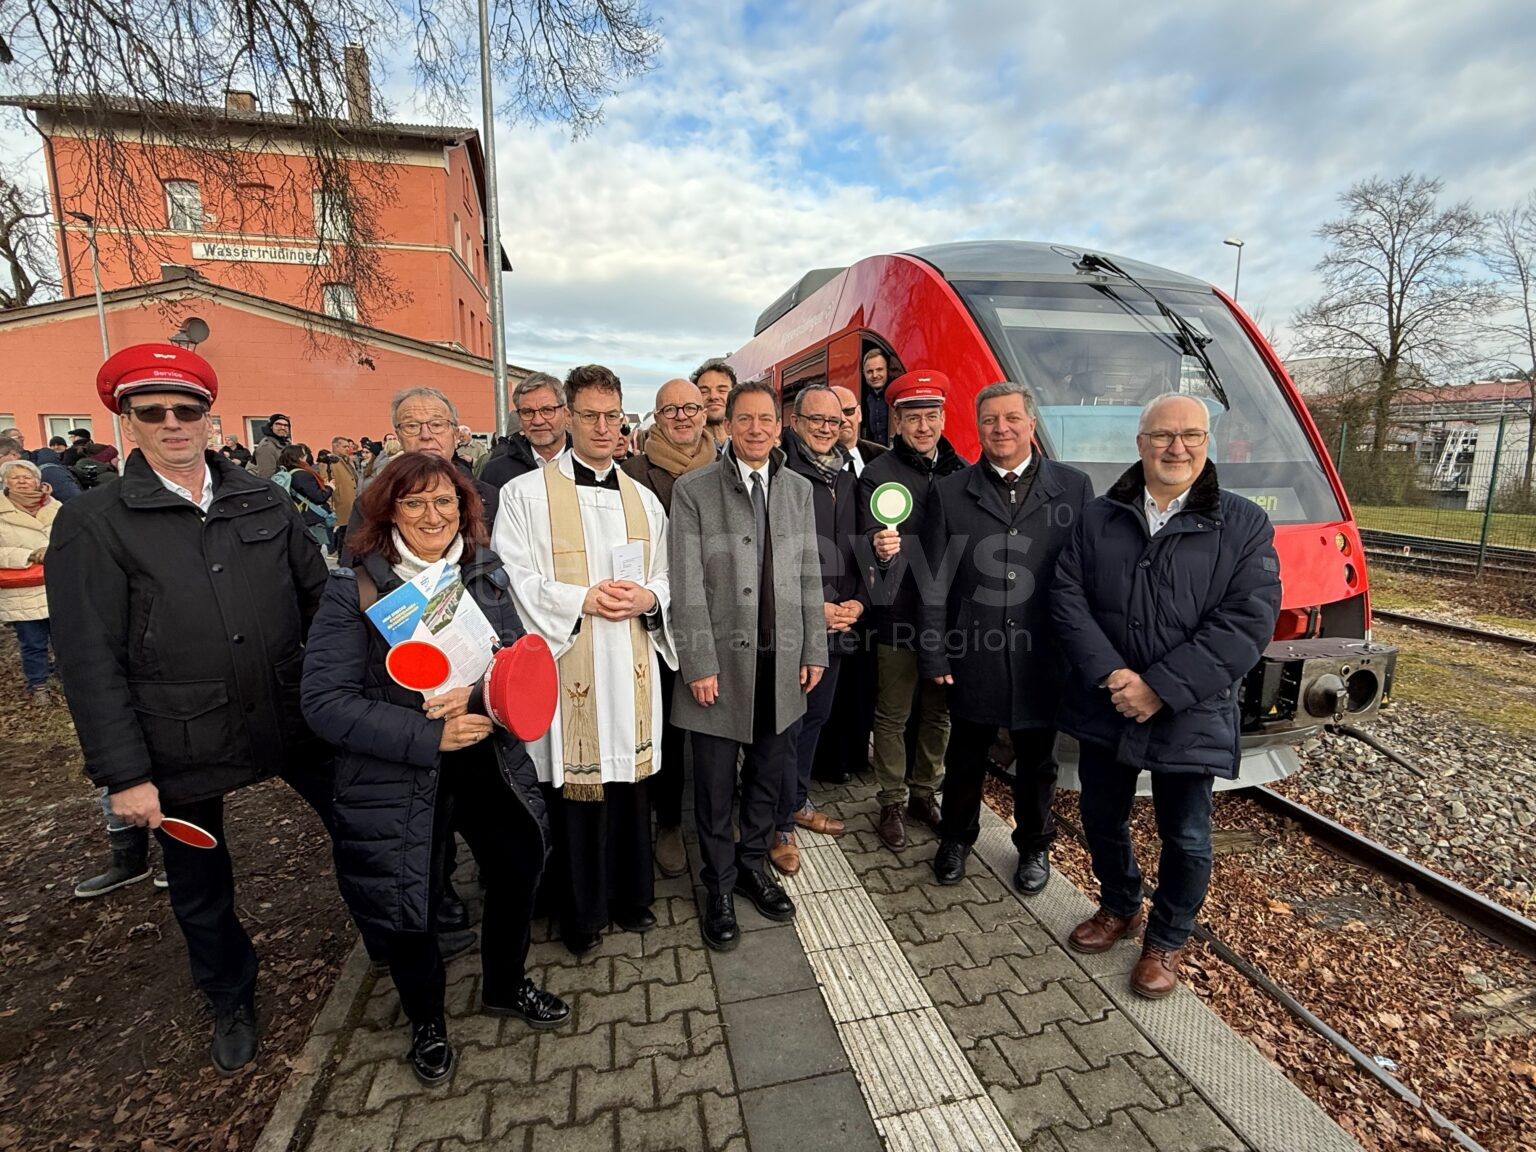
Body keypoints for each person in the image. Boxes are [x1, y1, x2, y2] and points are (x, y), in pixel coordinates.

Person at [45, 343, 337, 1074]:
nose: (174, 423)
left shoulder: (262, 496)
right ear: (127, 420)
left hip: (288, 711)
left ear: (208, 417)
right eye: (154, 412)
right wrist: (124, 775)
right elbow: (88, 660)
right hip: (181, 734)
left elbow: (320, 600)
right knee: (201, 885)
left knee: (364, 819)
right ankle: (229, 993)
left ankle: (396, 937)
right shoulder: (94, 522)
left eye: (188, 409)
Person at [302, 453, 569, 1086]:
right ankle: (426, 1020)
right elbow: (324, 704)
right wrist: (427, 734)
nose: (433, 515)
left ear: (464, 509)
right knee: (411, 899)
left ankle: (504, 985)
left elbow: (510, 664)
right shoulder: (356, 589)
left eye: (445, 502)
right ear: (387, 509)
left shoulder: (483, 573)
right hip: (399, 776)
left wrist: (479, 699)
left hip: (488, 758)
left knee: (516, 867)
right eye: (415, 503)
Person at [1052, 393, 1280, 999]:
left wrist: (1160, 687)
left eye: (1191, 436)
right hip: (1108, 700)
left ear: (1208, 443)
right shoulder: (1100, 517)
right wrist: (1114, 676)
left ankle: (1166, 940)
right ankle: (1121, 904)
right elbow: (1067, 599)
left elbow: (1246, 622)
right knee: (1102, 817)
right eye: (1162, 435)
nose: (1176, 448)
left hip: (1191, 708)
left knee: (1186, 835)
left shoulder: (1244, 522)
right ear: (1140, 443)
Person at [494, 364, 674, 956]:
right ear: (567, 418)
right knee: (575, 788)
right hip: (569, 662)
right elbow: (513, 578)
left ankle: (631, 897)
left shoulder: (644, 500)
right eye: (590, 416)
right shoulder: (524, 496)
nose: (602, 427)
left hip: (630, 662)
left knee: (630, 785)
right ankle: (581, 913)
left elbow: (669, 577)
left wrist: (650, 597)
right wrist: (582, 599)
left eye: (611, 416)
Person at [669, 380, 826, 951]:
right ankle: (717, 883)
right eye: (745, 420)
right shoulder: (694, 489)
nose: (756, 429)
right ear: (727, 425)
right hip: (717, 667)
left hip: (780, 663)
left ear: (778, 426)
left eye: (766, 419)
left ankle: (753, 864)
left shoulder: (799, 489)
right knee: (713, 788)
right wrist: (697, 662)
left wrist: (813, 648)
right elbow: (684, 581)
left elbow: (810, 573)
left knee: (765, 778)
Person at [920, 381, 1091, 894]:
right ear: (978, 427)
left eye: (1012, 418)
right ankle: (956, 838)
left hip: (1045, 654)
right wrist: (934, 651)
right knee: (965, 754)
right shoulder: (949, 492)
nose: (1001, 428)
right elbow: (932, 579)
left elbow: (1086, 576)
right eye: (991, 420)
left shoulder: (1074, 487)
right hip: (973, 651)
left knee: (1039, 760)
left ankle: (1035, 847)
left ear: (1031, 424)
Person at [858, 371, 968, 850]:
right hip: (899, 613)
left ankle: (926, 792)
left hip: (947, 620)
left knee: (938, 713)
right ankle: (891, 800)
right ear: (896, 421)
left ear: (944, 419)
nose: (923, 427)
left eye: (931, 416)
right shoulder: (877, 475)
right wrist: (877, 550)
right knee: (892, 712)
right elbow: (858, 546)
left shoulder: (963, 472)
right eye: (912, 417)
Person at [622, 378, 717, 879]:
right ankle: (668, 822)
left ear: (706, 413)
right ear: (656, 417)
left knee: (716, 721)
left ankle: (718, 815)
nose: (682, 417)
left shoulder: (727, 468)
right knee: (667, 724)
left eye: (691, 408)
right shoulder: (632, 474)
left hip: (718, 617)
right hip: (657, 620)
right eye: (670, 409)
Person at [769, 384, 863, 875]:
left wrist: (857, 603)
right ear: (796, 421)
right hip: (796, 625)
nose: (827, 428)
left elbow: (861, 546)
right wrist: (816, 609)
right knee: (788, 724)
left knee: (815, 721)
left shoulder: (848, 475)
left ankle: (797, 800)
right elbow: (771, 560)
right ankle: (778, 821)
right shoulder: (783, 474)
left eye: (835, 420)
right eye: (817, 420)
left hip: (839, 625)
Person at [0, 458, 58, 704]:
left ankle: (70, 677)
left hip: (57, 585)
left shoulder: (57, 506)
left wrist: (55, 550)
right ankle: (39, 685)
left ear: (38, 480)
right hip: (22, 588)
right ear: (5, 482)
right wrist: (28, 555)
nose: (22, 482)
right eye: (16, 478)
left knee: (66, 638)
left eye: (27, 477)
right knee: (32, 642)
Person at [479, 373, 571, 489]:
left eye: (547, 410)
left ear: (566, 414)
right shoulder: (495, 472)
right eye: (527, 412)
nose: (538, 421)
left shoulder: (591, 465)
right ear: (519, 418)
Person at [278, 445, 335, 551]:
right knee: (316, 550)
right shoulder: (302, 474)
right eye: (304, 454)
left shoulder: (288, 472)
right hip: (311, 518)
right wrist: (330, 488)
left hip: (300, 514)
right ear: (299, 457)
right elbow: (319, 497)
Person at [834, 384, 887, 477]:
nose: (843, 419)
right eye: (835, 414)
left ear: (859, 414)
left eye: (849, 411)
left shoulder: (883, 457)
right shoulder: (815, 462)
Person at [690, 358, 735, 452]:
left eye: (722, 390)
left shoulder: (753, 445)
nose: (713, 396)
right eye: (704, 391)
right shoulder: (685, 448)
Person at [324, 436, 360, 553]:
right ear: (336, 446)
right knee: (343, 531)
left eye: (348, 446)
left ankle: (347, 554)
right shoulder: (328, 461)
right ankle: (341, 555)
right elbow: (327, 481)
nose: (347, 449)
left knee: (347, 530)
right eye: (344, 446)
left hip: (349, 499)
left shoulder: (345, 460)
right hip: (340, 500)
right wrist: (331, 502)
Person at [859, 348, 894, 447]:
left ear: (887, 370)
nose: (874, 375)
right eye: (869, 371)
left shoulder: (894, 397)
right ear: (864, 373)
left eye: (879, 370)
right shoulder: (866, 399)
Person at [252, 413, 291, 479]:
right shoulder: (266, 447)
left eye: (286, 425)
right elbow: (266, 476)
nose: (282, 428)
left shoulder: (286, 443)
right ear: (271, 426)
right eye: (278, 424)